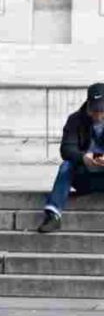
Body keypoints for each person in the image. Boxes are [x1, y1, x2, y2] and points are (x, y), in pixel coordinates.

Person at [38, 82, 104, 233]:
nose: (98, 115)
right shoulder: (75, 119)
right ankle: (53, 215)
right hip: (84, 177)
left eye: (102, 111)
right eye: (95, 111)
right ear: (88, 105)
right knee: (66, 165)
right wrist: (83, 158)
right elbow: (66, 149)